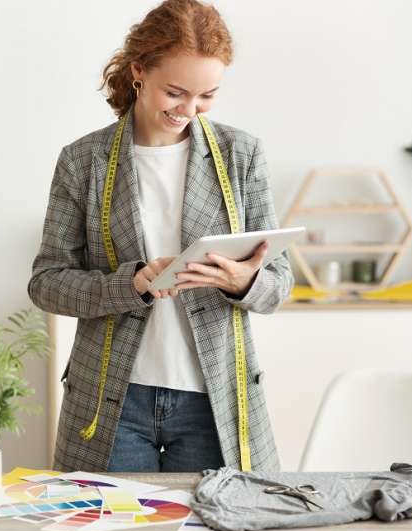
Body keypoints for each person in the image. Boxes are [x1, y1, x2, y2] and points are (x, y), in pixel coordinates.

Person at [28, 0, 293, 473]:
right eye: (176, 92)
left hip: (215, 403)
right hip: (112, 400)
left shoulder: (241, 155)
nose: (189, 110)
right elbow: (46, 282)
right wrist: (130, 285)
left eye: (207, 95)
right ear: (138, 72)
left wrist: (240, 281)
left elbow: (279, 284)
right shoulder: (83, 162)